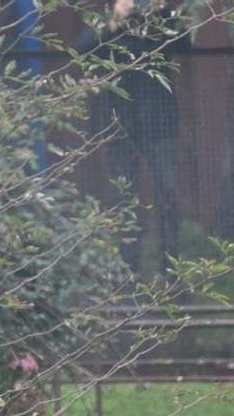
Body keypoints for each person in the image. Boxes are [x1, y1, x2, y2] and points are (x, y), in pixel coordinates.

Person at [75, 0, 187, 271]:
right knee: (124, 198)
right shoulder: (109, 19)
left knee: (168, 192)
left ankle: (170, 269)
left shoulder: (162, 19)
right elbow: (82, 49)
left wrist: (162, 12)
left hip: (158, 122)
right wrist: (115, 20)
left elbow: (185, 45)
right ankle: (128, 270)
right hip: (119, 123)